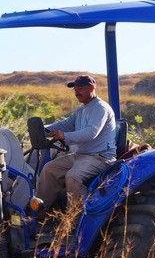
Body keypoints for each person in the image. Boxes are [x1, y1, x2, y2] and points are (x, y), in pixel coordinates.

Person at [35, 75, 116, 209]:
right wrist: (42, 130)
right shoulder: (81, 111)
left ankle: (74, 220)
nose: (77, 92)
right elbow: (63, 125)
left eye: (80, 88)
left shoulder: (100, 108)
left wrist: (64, 136)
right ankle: (41, 212)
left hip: (99, 158)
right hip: (81, 156)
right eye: (75, 89)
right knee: (49, 169)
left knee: (73, 176)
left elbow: (91, 132)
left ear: (92, 87)